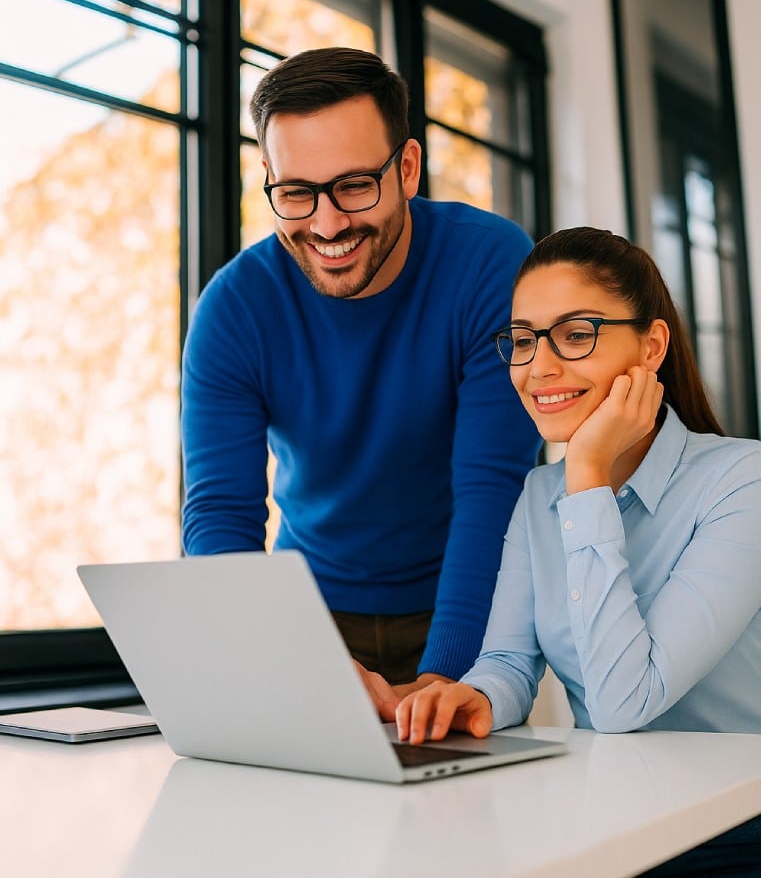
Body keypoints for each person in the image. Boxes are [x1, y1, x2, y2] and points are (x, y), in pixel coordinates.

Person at [180, 46, 540, 717]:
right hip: (309, 613)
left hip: (470, 599)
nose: (326, 223)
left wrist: (446, 674)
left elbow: (490, 490)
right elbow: (220, 518)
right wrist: (288, 651)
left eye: (352, 186)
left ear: (406, 168)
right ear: (267, 178)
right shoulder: (233, 309)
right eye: (295, 193)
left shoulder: (491, 265)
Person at [396, 226, 761, 876]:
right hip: (611, 818)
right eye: (522, 339)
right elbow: (509, 659)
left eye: (574, 334)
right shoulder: (541, 493)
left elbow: (623, 705)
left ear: (650, 346)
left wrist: (586, 471)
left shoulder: (742, 483)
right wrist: (471, 698)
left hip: (735, 831)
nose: (538, 367)